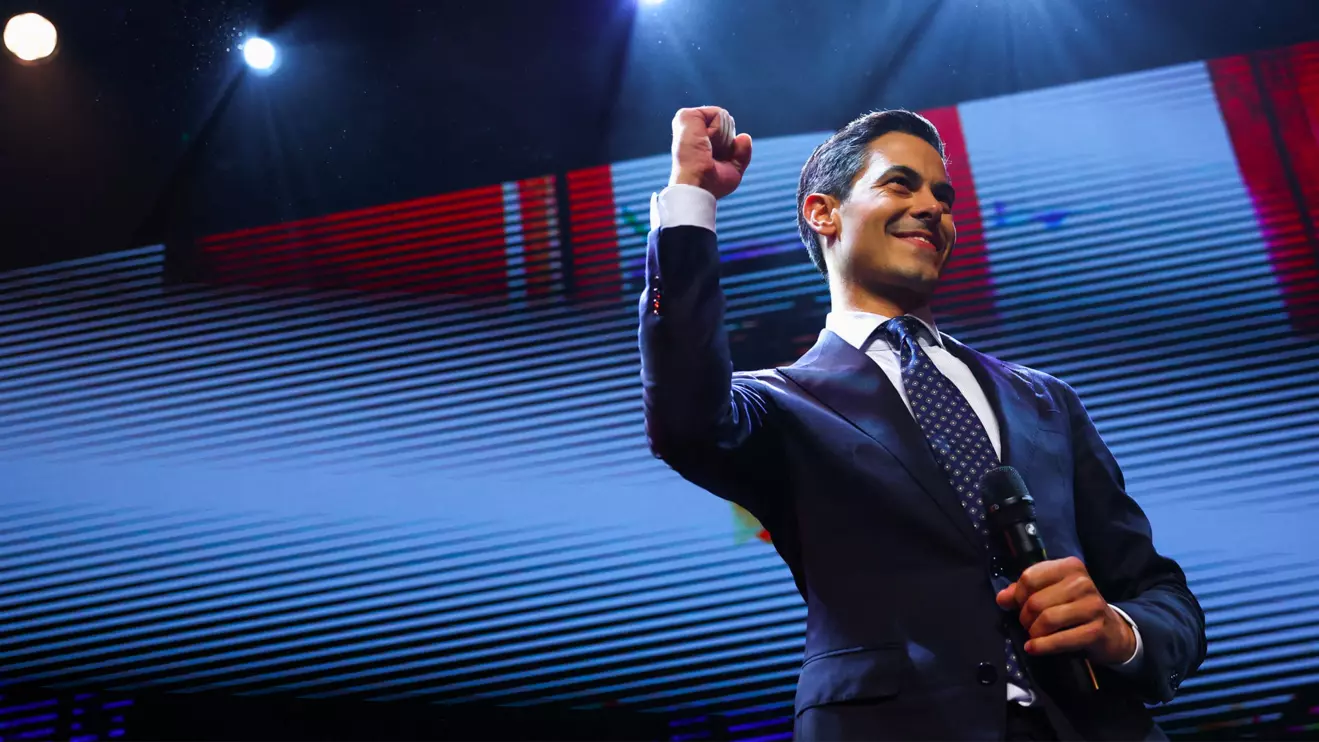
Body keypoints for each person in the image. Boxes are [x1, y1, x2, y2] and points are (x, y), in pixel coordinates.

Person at [637, 106, 1206, 741]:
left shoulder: (1045, 400)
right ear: (823, 212)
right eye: (900, 184)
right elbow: (685, 416)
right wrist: (691, 196)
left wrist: (1117, 631)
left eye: (944, 195)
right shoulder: (781, 404)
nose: (932, 206)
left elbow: (1160, 593)